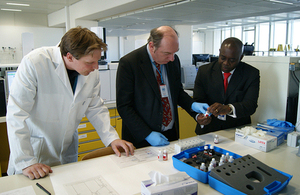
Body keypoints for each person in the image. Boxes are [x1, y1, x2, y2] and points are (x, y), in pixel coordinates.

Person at [6, 27, 134, 180]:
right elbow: (16, 113)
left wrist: (112, 138)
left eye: (97, 61)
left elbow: (95, 107)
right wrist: (26, 161)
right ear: (69, 56)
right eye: (90, 62)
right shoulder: (35, 62)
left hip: (66, 152)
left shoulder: (91, 72)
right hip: (34, 154)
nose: (96, 67)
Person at [116, 26, 209, 148]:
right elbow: (124, 107)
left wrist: (192, 105)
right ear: (151, 46)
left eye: (174, 52)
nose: (172, 58)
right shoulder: (129, 63)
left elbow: (178, 92)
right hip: (141, 138)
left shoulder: (173, 61)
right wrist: (147, 134)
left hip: (170, 134)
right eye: (167, 53)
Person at [193, 37, 260, 135]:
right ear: (219, 52)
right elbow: (197, 101)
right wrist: (199, 116)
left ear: (241, 57)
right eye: (223, 58)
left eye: (232, 60)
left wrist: (229, 109)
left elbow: (251, 105)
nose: (226, 63)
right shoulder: (204, 71)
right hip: (209, 129)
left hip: (238, 131)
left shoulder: (251, 74)